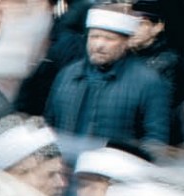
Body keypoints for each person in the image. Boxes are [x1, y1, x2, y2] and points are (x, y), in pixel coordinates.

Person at [45, 6, 173, 143]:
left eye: (109, 39)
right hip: (62, 155)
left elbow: (155, 140)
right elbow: (48, 127)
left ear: (126, 42)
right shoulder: (67, 74)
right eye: (94, 37)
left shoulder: (149, 82)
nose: (99, 45)